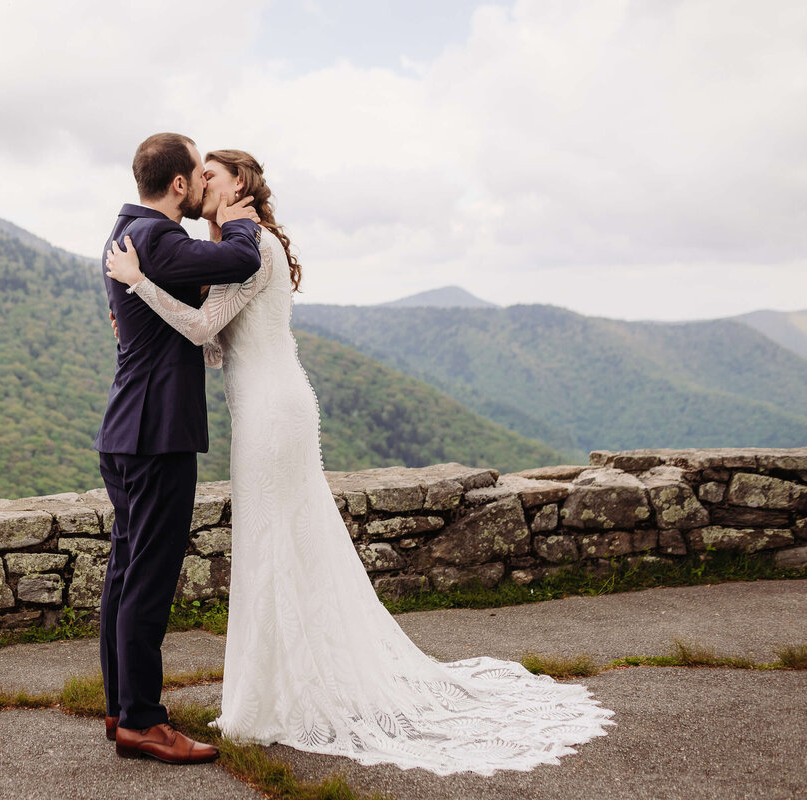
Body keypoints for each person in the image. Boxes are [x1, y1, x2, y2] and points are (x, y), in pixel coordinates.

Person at [103, 149, 614, 775]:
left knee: (277, 542)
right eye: (199, 173)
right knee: (271, 545)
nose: (204, 183)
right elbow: (214, 346)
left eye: (215, 174)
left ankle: (288, 690)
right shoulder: (225, 249)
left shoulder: (252, 245)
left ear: (241, 185)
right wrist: (139, 308)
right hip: (256, 405)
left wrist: (139, 287)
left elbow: (199, 330)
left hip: (272, 412)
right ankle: (274, 686)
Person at [95, 133, 264, 765]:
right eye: (198, 173)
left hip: (124, 433)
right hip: (157, 435)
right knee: (149, 579)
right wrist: (238, 223)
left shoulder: (125, 230)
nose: (202, 184)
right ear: (177, 185)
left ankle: (120, 707)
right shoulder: (162, 240)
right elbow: (240, 263)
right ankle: (142, 720)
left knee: (124, 573)